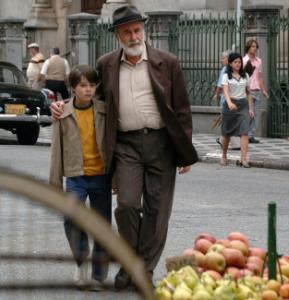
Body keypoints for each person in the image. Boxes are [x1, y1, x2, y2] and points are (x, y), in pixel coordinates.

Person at [51, 4, 198, 289]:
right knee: (127, 205)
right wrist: (62, 106)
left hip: (161, 144)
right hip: (126, 144)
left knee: (157, 212)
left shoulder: (167, 62)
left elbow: (182, 109)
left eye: (137, 30)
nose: (134, 37)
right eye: (127, 32)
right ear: (118, 36)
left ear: (143, 30)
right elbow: (92, 101)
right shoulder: (107, 64)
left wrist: (184, 150)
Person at [49, 65, 112, 289]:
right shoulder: (62, 113)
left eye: (92, 85)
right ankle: (81, 263)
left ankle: (97, 276)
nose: (88, 90)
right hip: (76, 177)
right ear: (73, 88)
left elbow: (114, 145)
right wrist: (54, 184)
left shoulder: (105, 110)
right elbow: (56, 151)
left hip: (101, 176)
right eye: (83, 85)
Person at [221, 52, 254, 168]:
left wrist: (250, 108)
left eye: (239, 62)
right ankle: (224, 155)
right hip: (230, 106)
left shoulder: (246, 76)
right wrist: (229, 103)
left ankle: (243, 159)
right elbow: (225, 91)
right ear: (230, 64)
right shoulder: (226, 76)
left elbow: (249, 93)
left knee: (244, 132)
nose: (238, 64)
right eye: (235, 62)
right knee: (227, 134)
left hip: (243, 106)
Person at [243, 39, 269, 144]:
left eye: (256, 47)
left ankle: (250, 135)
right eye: (252, 46)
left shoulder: (259, 61)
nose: (255, 48)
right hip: (247, 91)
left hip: (257, 90)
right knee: (248, 113)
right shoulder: (243, 60)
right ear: (248, 48)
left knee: (255, 114)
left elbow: (260, 77)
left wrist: (264, 90)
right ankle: (247, 135)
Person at [215, 49, 240, 151]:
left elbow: (219, 87)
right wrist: (217, 96)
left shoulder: (226, 70)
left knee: (230, 121)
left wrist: (217, 95)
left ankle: (223, 140)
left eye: (223, 58)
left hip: (231, 99)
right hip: (228, 100)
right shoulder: (225, 70)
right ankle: (232, 143)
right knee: (230, 121)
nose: (222, 60)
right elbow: (221, 86)